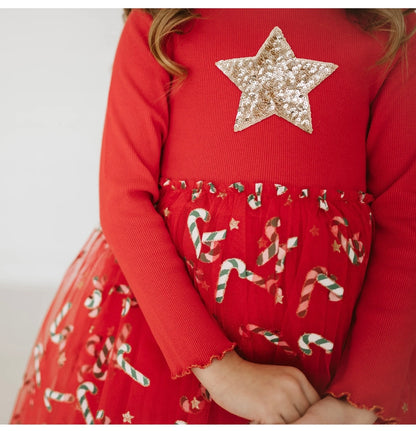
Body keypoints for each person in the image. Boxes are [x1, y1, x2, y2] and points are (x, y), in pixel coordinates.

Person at [10, 8, 416, 424]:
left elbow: (406, 225)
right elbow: (123, 201)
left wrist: (358, 402)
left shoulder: (392, 32)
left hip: (333, 371)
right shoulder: (160, 23)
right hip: (168, 351)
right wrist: (223, 375)